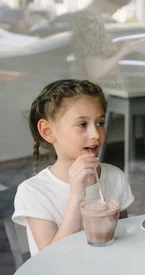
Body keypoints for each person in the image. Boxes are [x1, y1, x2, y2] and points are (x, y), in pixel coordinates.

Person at [12, 80, 134, 256]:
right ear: (47, 131)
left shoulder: (115, 177)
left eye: (100, 122)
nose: (95, 134)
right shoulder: (33, 193)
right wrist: (77, 196)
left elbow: (123, 238)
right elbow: (51, 258)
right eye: (82, 124)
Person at [70, 0, 141, 89]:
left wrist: (114, 48)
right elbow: (96, 73)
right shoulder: (93, 22)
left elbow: (89, 53)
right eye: (119, 4)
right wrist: (124, 50)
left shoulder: (81, 16)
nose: (119, 9)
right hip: (100, 94)